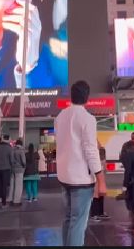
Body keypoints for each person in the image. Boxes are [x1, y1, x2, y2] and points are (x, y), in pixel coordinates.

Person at [54, 80, 107, 246]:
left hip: (64, 177)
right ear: (87, 98)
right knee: (78, 223)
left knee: (69, 219)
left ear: (71, 95)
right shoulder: (88, 119)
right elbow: (91, 150)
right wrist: (101, 179)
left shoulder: (59, 117)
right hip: (81, 180)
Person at [89, 141, 110, 222]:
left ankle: (100, 212)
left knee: (101, 195)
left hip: (100, 177)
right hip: (94, 178)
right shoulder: (93, 154)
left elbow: (103, 164)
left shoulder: (101, 152)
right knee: (95, 196)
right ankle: (94, 214)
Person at [9, 138, 26, 206]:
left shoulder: (12, 150)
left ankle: (11, 199)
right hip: (19, 169)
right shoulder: (21, 151)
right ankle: (16, 201)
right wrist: (24, 166)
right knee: (18, 185)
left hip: (13, 169)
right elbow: (23, 161)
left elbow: (10, 160)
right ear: (21, 144)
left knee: (12, 185)